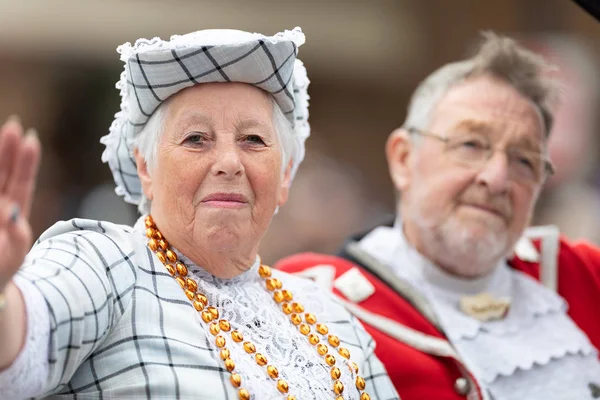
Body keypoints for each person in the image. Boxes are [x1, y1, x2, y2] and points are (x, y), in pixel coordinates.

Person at [0, 27, 399, 400]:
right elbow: (27, 332)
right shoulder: (108, 264)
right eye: (196, 139)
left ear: (285, 175)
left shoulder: (330, 316)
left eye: (253, 140)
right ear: (146, 168)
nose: (229, 162)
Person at [276, 32, 600, 400]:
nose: (496, 178)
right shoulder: (309, 302)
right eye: (471, 145)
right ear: (403, 159)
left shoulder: (579, 275)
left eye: (524, 160)